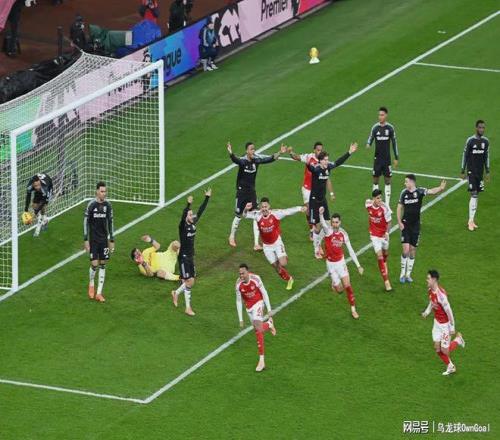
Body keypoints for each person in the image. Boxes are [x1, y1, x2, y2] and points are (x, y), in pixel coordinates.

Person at [227, 141, 287, 250]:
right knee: (238, 215)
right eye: (251, 149)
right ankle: (231, 237)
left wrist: (280, 152)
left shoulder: (256, 161)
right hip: (241, 192)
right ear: (247, 151)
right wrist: (231, 153)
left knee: (256, 215)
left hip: (251, 192)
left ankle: (256, 244)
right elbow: (236, 160)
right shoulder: (243, 162)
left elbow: (269, 159)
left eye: (254, 149)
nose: (253, 151)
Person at [242, 198, 306, 290]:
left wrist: (299, 208)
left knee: (283, 263)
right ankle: (289, 279)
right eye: (262, 207)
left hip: (277, 242)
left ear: (269, 206)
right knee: (277, 268)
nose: (264, 208)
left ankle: (282, 256)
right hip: (266, 246)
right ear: (260, 207)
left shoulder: (276, 214)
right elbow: (244, 215)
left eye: (266, 206)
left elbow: (287, 211)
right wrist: (245, 209)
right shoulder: (257, 215)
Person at [307, 143, 358, 258]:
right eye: (325, 160)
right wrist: (307, 162)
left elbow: (338, 162)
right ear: (320, 161)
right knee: (317, 227)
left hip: (322, 200)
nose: (327, 161)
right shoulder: (316, 169)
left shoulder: (328, 167)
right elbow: (310, 167)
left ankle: (319, 245)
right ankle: (316, 249)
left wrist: (349, 152)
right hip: (314, 200)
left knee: (327, 223)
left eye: (327, 159)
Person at [397, 175, 446, 283]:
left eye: (406, 181)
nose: (405, 183)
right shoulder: (404, 193)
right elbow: (399, 207)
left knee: (412, 250)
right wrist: (399, 222)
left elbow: (431, 191)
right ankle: (402, 273)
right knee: (405, 250)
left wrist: (440, 188)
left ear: (412, 182)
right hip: (405, 225)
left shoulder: (419, 191)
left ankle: (408, 274)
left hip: (416, 225)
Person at [171, 188, 211, 316]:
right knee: (189, 281)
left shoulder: (193, 223)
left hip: (190, 256)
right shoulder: (182, 227)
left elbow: (201, 211)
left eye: (191, 214)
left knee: (191, 281)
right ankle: (185, 305)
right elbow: (183, 217)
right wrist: (188, 204)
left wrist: (207, 198)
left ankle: (177, 294)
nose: (191, 216)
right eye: (189, 215)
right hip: (183, 257)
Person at [319, 208, 363, 319]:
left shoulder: (344, 234)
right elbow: (323, 223)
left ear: (340, 222)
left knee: (348, 286)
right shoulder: (328, 231)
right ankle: (334, 283)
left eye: (336, 222)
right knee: (339, 290)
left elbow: (351, 250)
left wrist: (358, 265)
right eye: (333, 222)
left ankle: (353, 309)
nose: (334, 224)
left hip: (341, 262)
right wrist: (321, 214)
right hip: (330, 264)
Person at [421, 270, 465, 376]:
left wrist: (452, 327)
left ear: (434, 280)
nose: (426, 280)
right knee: (437, 348)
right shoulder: (430, 290)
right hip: (437, 323)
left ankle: (458, 340)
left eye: (428, 278)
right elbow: (432, 302)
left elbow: (449, 312)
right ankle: (450, 366)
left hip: (445, 325)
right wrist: (426, 312)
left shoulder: (441, 296)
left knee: (445, 351)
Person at [287, 142, 335, 239]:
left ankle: (320, 227)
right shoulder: (309, 157)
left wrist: (331, 193)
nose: (319, 151)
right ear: (314, 150)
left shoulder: (324, 162)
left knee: (321, 211)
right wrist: (291, 152)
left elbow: (327, 179)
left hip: (318, 191)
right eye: (318, 150)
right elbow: (297, 157)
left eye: (321, 150)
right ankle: (312, 230)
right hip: (307, 188)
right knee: (308, 210)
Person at [235, 263, 276, 372]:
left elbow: (264, 293)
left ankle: (261, 361)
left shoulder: (256, 279)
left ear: (248, 272)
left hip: (258, 303)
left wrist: (269, 309)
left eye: (243, 273)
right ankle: (269, 324)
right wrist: (240, 319)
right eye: (240, 274)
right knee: (258, 329)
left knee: (258, 330)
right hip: (249, 308)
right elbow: (238, 301)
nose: (241, 276)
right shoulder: (238, 284)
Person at [84, 182, 115, 303]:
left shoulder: (108, 205)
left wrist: (112, 239)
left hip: (103, 240)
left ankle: (99, 293)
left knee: (103, 263)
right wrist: (86, 239)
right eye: (102, 191)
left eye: (105, 191)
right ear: (97, 191)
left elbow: (111, 222)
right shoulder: (91, 205)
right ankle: (91, 283)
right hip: (93, 240)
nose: (104, 193)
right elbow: (85, 222)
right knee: (94, 264)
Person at [460, 120, 490, 232]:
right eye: (480, 127)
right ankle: (470, 221)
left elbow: (487, 156)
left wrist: (487, 171)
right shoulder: (470, 140)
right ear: (476, 128)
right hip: (471, 172)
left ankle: (472, 220)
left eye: (483, 128)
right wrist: (462, 170)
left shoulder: (486, 141)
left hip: (480, 173)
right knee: (474, 194)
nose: (482, 129)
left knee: (477, 195)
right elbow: (465, 155)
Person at [366, 107, 399, 205]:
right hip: (377, 159)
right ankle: (375, 202)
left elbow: (394, 143)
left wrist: (396, 157)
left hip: (387, 159)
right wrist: (368, 143)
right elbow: (371, 137)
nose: (380, 117)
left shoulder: (390, 128)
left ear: (386, 115)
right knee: (375, 180)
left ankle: (387, 204)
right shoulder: (375, 127)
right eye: (379, 115)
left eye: (382, 115)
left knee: (387, 181)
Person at [365, 189, 392, 292]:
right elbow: (367, 204)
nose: (380, 200)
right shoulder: (368, 204)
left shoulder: (385, 208)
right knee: (379, 256)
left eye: (381, 198)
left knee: (385, 253)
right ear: (373, 199)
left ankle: (385, 262)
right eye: (378, 198)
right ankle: (386, 281)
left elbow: (389, 222)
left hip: (384, 235)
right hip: (374, 235)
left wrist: (387, 233)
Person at [24, 173, 53, 237]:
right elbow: (28, 197)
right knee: (34, 205)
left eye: (38, 185)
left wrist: (35, 212)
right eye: (35, 186)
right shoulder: (30, 186)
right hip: (40, 190)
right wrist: (26, 210)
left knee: (43, 207)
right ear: (32, 184)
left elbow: (43, 201)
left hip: (48, 186)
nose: (37, 187)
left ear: (39, 181)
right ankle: (44, 219)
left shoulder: (45, 187)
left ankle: (41, 220)